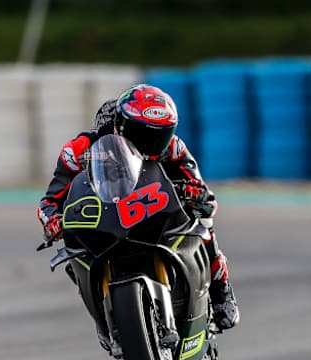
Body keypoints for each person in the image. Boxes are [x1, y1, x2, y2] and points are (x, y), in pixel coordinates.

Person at [37, 83, 240, 341]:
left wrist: (196, 195)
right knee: (75, 254)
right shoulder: (80, 150)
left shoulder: (173, 148)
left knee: (204, 222)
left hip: (156, 207)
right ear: (121, 126)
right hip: (107, 212)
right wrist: (52, 220)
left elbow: (204, 193)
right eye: (141, 134)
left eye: (161, 135)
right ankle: (103, 317)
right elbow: (50, 200)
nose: (152, 143)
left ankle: (222, 291)